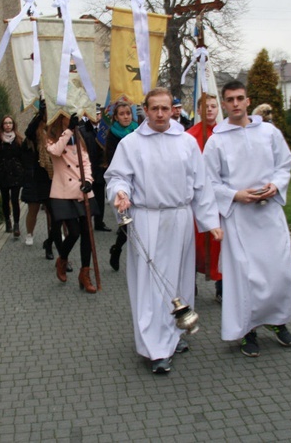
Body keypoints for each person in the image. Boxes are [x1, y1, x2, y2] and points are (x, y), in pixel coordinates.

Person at [104, 87, 223, 374]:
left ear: (173, 110)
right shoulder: (131, 144)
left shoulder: (186, 143)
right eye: (153, 108)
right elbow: (118, 177)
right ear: (144, 110)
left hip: (180, 218)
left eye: (165, 108)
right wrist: (120, 193)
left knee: (180, 280)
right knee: (151, 285)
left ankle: (175, 332)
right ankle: (155, 349)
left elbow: (201, 184)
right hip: (147, 219)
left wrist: (211, 222)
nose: (159, 113)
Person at [203, 80, 291, 358]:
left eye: (239, 98)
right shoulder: (217, 139)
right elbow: (208, 180)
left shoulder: (269, 132)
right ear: (224, 103)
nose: (235, 104)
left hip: (269, 214)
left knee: (279, 272)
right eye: (229, 99)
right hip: (239, 218)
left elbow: (285, 163)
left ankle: (278, 321)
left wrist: (276, 185)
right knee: (245, 277)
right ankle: (247, 331)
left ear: (247, 100)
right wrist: (234, 195)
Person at [46, 112, 99, 294]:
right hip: (62, 192)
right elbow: (55, 151)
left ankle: (85, 274)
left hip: (82, 191)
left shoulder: (79, 138)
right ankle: (62, 259)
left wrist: (89, 181)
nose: (73, 119)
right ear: (61, 118)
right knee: (74, 233)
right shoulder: (52, 138)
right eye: (69, 117)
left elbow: (86, 162)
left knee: (87, 233)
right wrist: (68, 130)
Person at [186, 95, 223, 303]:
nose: (209, 110)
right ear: (198, 110)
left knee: (221, 245)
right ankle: (190, 285)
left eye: (213, 106)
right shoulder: (190, 137)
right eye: (205, 106)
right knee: (194, 245)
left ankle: (222, 286)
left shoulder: (225, 134)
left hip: (221, 201)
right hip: (197, 202)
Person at [21, 101, 61, 259]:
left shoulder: (56, 129)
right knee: (35, 210)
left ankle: (51, 243)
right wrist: (40, 113)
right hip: (40, 178)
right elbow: (28, 131)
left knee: (55, 214)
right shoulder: (35, 132)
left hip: (56, 176)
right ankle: (32, 234)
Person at [104, 101, 138, 271]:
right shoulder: (113, 135)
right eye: (122, 114)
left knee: (135, 223)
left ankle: (118, 248)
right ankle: (117, 249)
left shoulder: (138, 131)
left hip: (139, 182)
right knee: (127, 223)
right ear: (116, 117)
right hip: (124, 182)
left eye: (128, 113)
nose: (126, 116)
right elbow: (113, 163)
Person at [0, 115, 24, 237]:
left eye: (10, 123)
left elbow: (22, 157)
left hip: (15, 173)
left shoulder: (19, 139)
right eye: (5, 123)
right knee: (5, 199)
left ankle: (16, 224)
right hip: (2, 173)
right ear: (2, 125)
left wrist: (24, 172)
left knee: (15, 200)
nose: (8, 125)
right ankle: (7, 220)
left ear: (13, 124)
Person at [79, 109, 110, 232]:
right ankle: (86, 222)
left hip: (101, 168)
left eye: (98, 113)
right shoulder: (82, 130)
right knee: (86, 197)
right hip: (88, 169)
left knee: (100, 197)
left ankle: (99, 222)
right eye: (94, 113)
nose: (96, 116)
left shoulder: (104, 130)